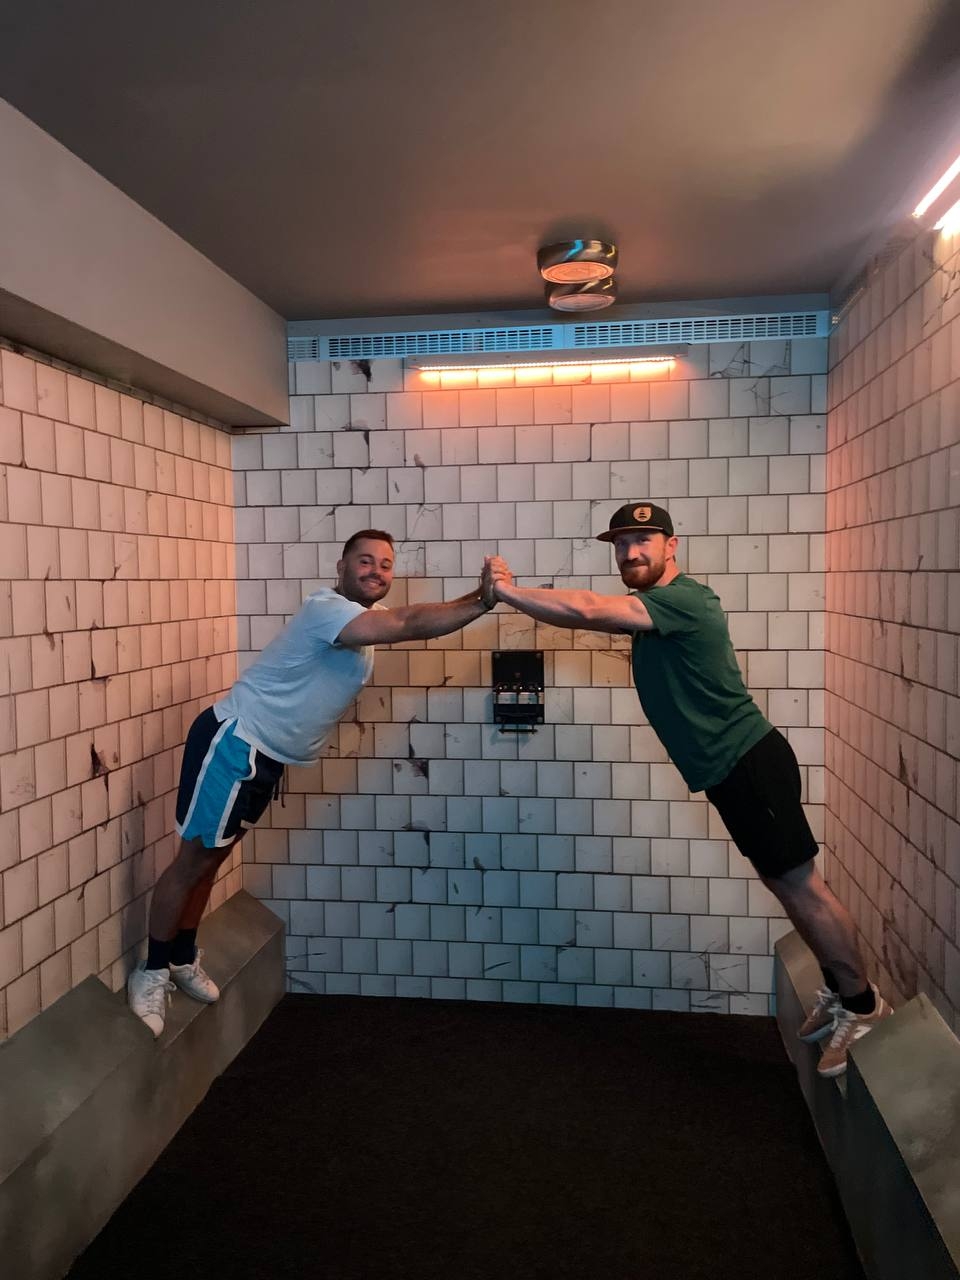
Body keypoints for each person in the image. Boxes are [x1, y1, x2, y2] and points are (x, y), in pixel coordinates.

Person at [485, 501, 891, 1078]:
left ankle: (864, 1005)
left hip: (750, 764)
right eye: (621, 543)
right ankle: (839, 986)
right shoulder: (654, 609)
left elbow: (587, 608)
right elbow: (593, 615)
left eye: (643, 540)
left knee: (803, 887)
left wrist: (507, 592)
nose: (630, 552)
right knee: (784, 884)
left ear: (670, 546)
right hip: (732, 772)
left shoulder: (683, 600)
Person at [128, 529, 498, 1037]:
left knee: (213, 859)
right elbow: (408, 622)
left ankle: (181, 955)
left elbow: (398, 622)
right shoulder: (328, 610)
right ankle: (150, 971)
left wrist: (479, 597)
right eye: (364, 561)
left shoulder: (360, 625)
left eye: (385, 564)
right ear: (341, 568)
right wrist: (483, 600)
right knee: (192, 860)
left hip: (265, 757)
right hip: (235, 745)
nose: (376, 571)